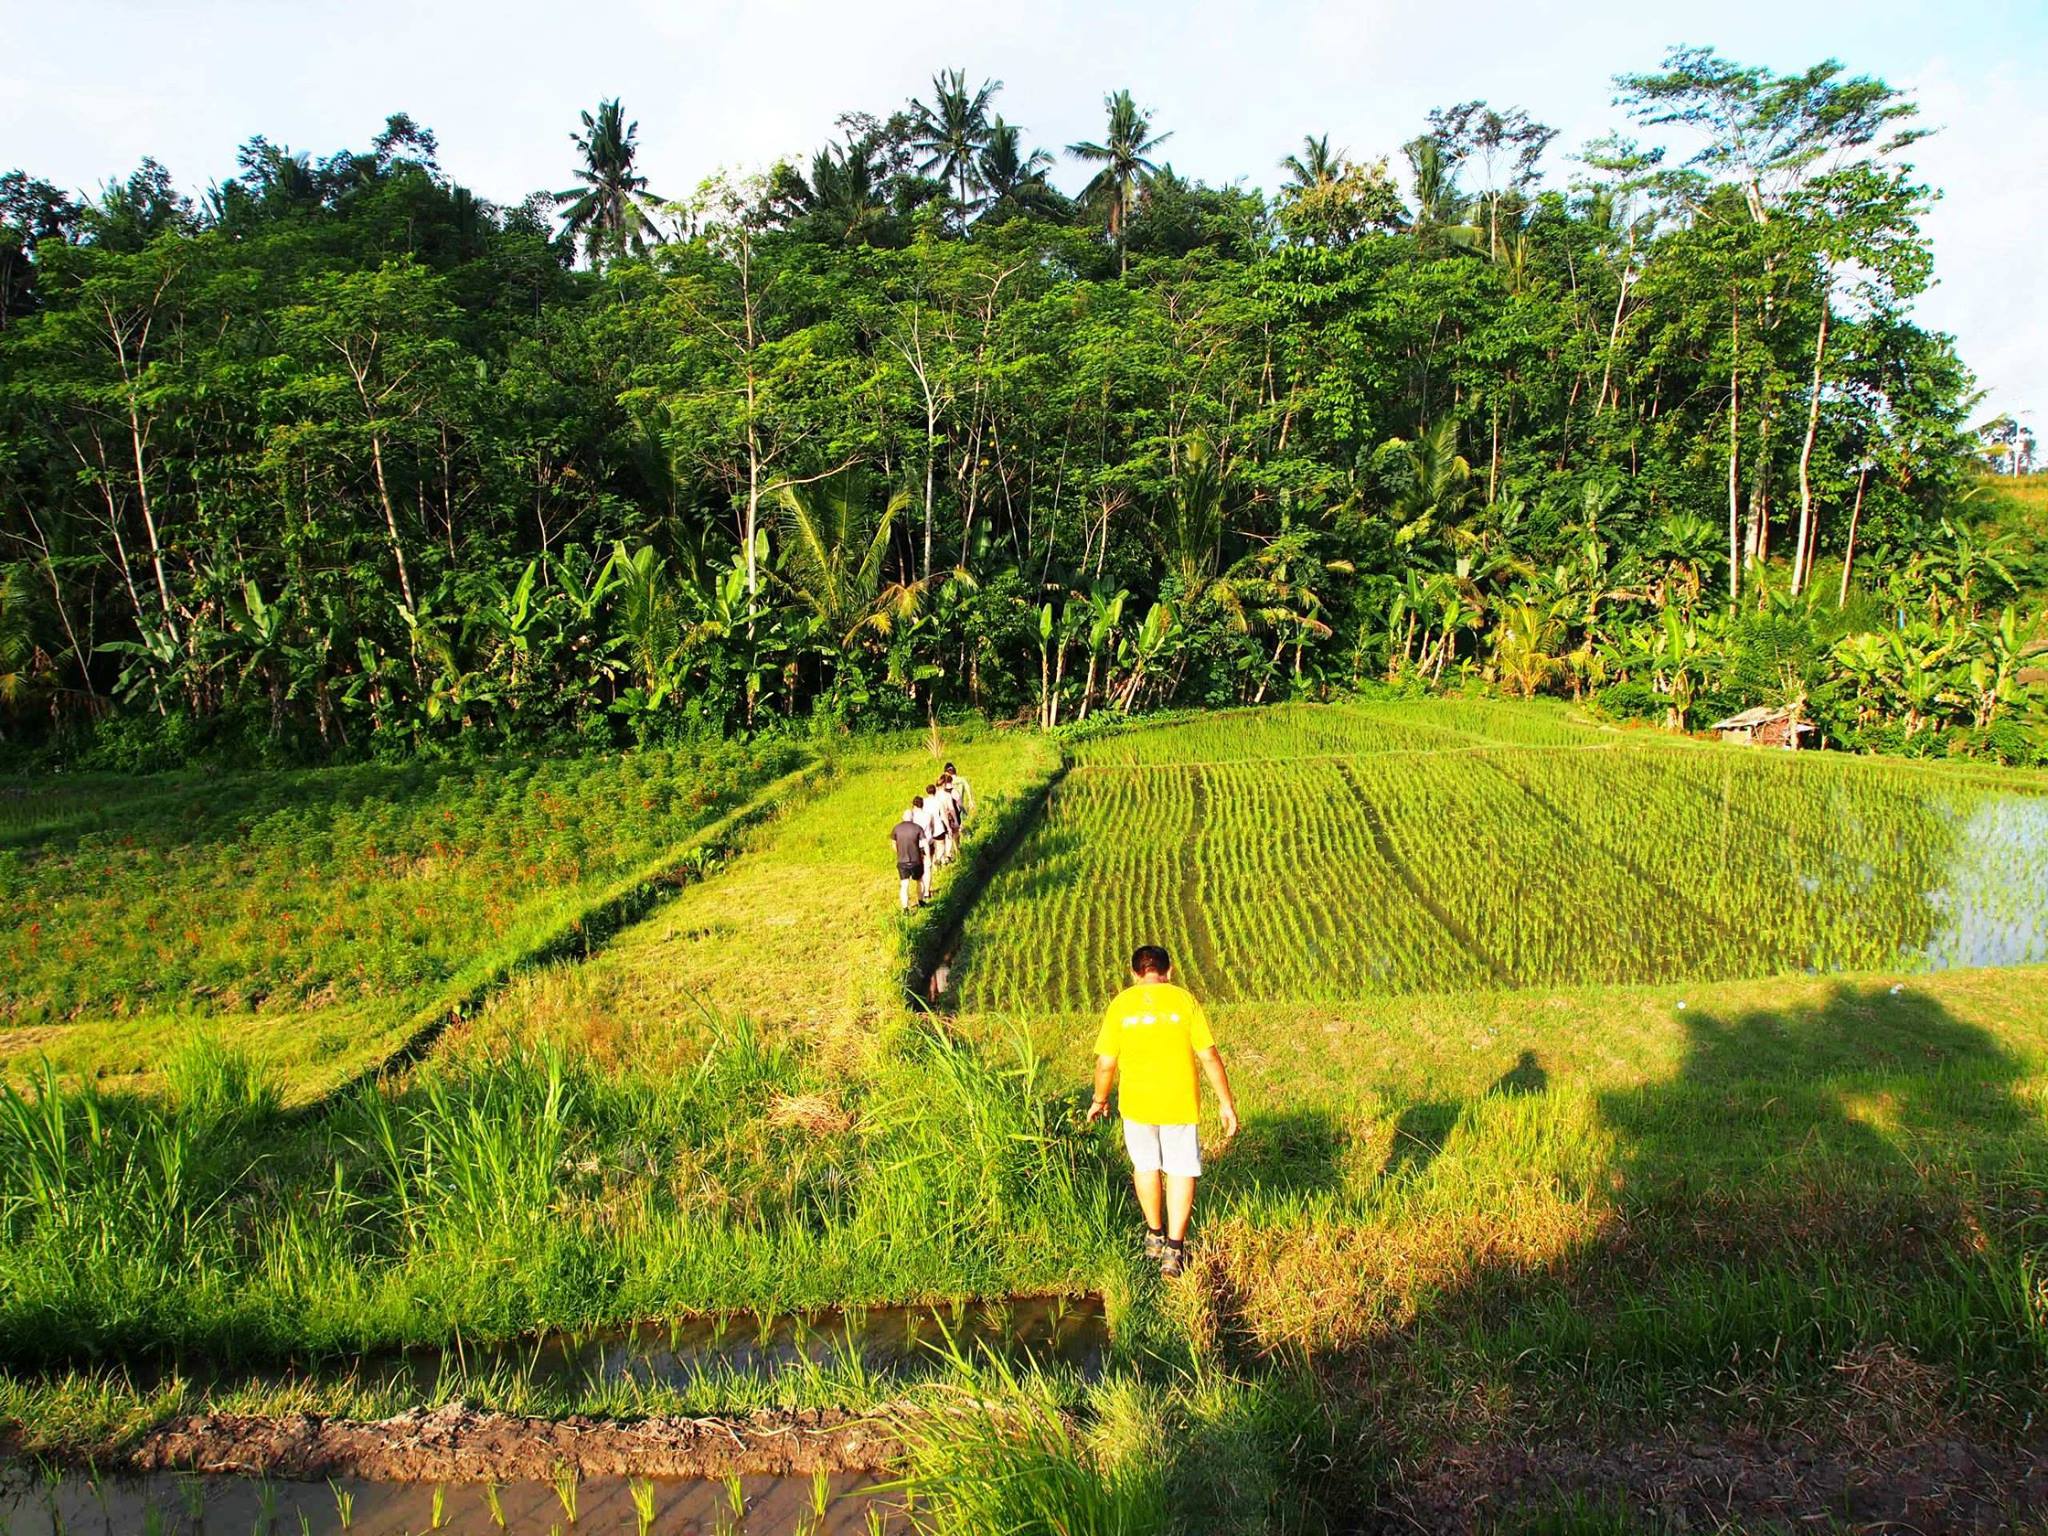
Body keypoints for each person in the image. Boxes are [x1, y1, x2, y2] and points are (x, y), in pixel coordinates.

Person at [1087, 945, 1239, 1277]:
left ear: (1134, 973)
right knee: (1181, 1169)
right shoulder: (1184, 1001)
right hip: (1179, 1101)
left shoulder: (1121, 1005)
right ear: (1169, 972)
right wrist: (1226, 1103)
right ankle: (1174, 1249)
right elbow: (1209, 1055)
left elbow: (1106, 1063)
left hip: (1137, 1103)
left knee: (1146, 1166)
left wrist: (1099, 1100)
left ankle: (1154, 1235)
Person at [890, 798, 930, 911]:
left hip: (902, 861)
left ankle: (905, 908)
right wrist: (926, 856)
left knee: (904, 885)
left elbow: (893, 844)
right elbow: (924, 843)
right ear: (912, 817)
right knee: (919, 880)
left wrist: (899, 853)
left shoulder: (896, 829)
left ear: (903, 817)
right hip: (916, 860)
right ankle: (921, 901)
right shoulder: (917, 828)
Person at [916, 787, 948, 899]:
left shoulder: (916, 814)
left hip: (917, 845)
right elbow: (939, 819)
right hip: (931, 838)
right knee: (929, 865)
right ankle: (927, 892)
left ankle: (921, 893)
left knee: (922, 868)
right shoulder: (936, 805)